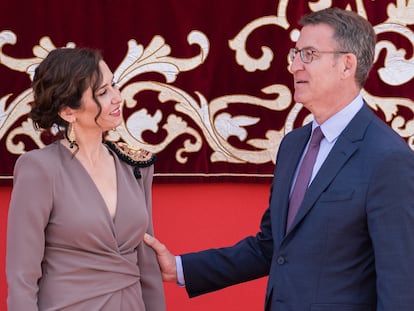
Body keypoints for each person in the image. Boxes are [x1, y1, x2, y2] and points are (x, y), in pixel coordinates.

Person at [144, 7, 414, 310]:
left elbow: (401, 284)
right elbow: (271, 247)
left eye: (309, 54)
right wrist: (179, 268)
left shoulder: (388, 158)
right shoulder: (293, 145)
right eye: (295, 54)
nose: (294, 66)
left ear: (347, 65)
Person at [6, 47, 166, 310]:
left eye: (113, 85)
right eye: (103, 93)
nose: (117, 97)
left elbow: (147, 266)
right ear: (68, 111)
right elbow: (22, 277)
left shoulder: (135, 165)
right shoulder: (39, 170)